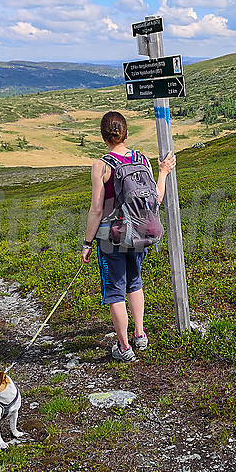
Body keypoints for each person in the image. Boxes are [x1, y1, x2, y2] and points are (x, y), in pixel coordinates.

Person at [81, 111, 176, 362]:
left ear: (103, 136)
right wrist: (164, 172)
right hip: (139, 233)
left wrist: (87, 243)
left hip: (111, 237)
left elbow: (97, 209)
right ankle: (140, 334)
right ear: (126, 132)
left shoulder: (101, 165)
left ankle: (124, 347)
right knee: (135, 282)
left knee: (115, 291)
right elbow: (154, 199)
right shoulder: (141, 159)